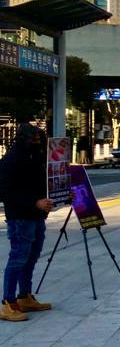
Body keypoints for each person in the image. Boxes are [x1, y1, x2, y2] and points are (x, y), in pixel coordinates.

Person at [0, 124, 53, 322]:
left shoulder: (35, 158)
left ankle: (25, 296)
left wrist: (61, 193)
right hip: (20, 218)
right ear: (23, 139)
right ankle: (8, 303)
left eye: (40, 140)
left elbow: (42, 183)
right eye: (34, 140)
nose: (38, 143)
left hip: (37, 217)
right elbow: (5, 191)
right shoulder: (11, 160)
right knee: (18, 258)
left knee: (31, 256)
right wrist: (34, 202)